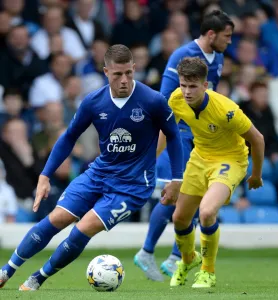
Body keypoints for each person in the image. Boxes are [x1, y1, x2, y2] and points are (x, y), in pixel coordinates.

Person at [0, 44, 184, 291]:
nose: (124, 80)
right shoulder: (93, 102)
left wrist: (176, 180)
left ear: (134, 69)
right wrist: (45, 175)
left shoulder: (153, 101)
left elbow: (173, 136)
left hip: (133, 185)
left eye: (129, 73)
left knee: (83, 227)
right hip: (99, 173)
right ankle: (6, 271)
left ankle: (36, 279)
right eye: (117, 74)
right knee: (57, 218)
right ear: (106, 72)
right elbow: (68, 137)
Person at [134, 10, 234, 281]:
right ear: (211, 34)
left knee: (196, 196)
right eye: (227, 36)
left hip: (201, 137)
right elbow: (166, 101)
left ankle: (176, 257)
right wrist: (156, 147)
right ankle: (149, 251)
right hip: (177, 135)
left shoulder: (220, 57)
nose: (230, 41)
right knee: (175, 192)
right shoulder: (182, 55)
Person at [166, 57, 264, 288]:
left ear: (205, 86)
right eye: (183, 85)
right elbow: (167, 133)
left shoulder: (227, 110)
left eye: (193, 86)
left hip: (230, 160)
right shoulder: (176, 100)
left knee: (207, 212)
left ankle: (207, 272)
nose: (187, 92)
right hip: (199, 158)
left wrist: (256, 174)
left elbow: (257, 139)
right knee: (179, 219)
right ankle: (188, 260)